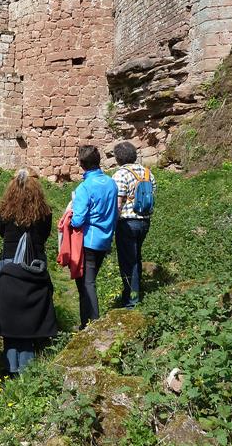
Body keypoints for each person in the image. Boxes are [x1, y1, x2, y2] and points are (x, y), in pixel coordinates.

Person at [0, 168, 56, 374]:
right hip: (35, 263)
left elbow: (2, 233)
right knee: (30, 312)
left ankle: (10, 363)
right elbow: (44, 236)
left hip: (9, 264)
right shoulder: (44, 212)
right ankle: (27, 366)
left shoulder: (6, 210)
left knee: (9, 312)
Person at [70, 145, 118, 329]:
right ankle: (85, 323)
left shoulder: (85, 187)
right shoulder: (111, 183)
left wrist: (70, 215)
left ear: (82, 164)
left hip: (89, 241)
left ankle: (94, 324)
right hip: (105, 239)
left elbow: (78, 221)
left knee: (86, 283)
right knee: (87, 282)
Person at [111, 141, 156, 309]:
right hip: (145, 221)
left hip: (127, 223)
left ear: (118, 158)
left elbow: (118, 204)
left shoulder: (120, 174)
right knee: (136, 258)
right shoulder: (148, 173)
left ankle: (132, 300)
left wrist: (111, 225)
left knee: (128, 262)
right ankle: (135, 293)